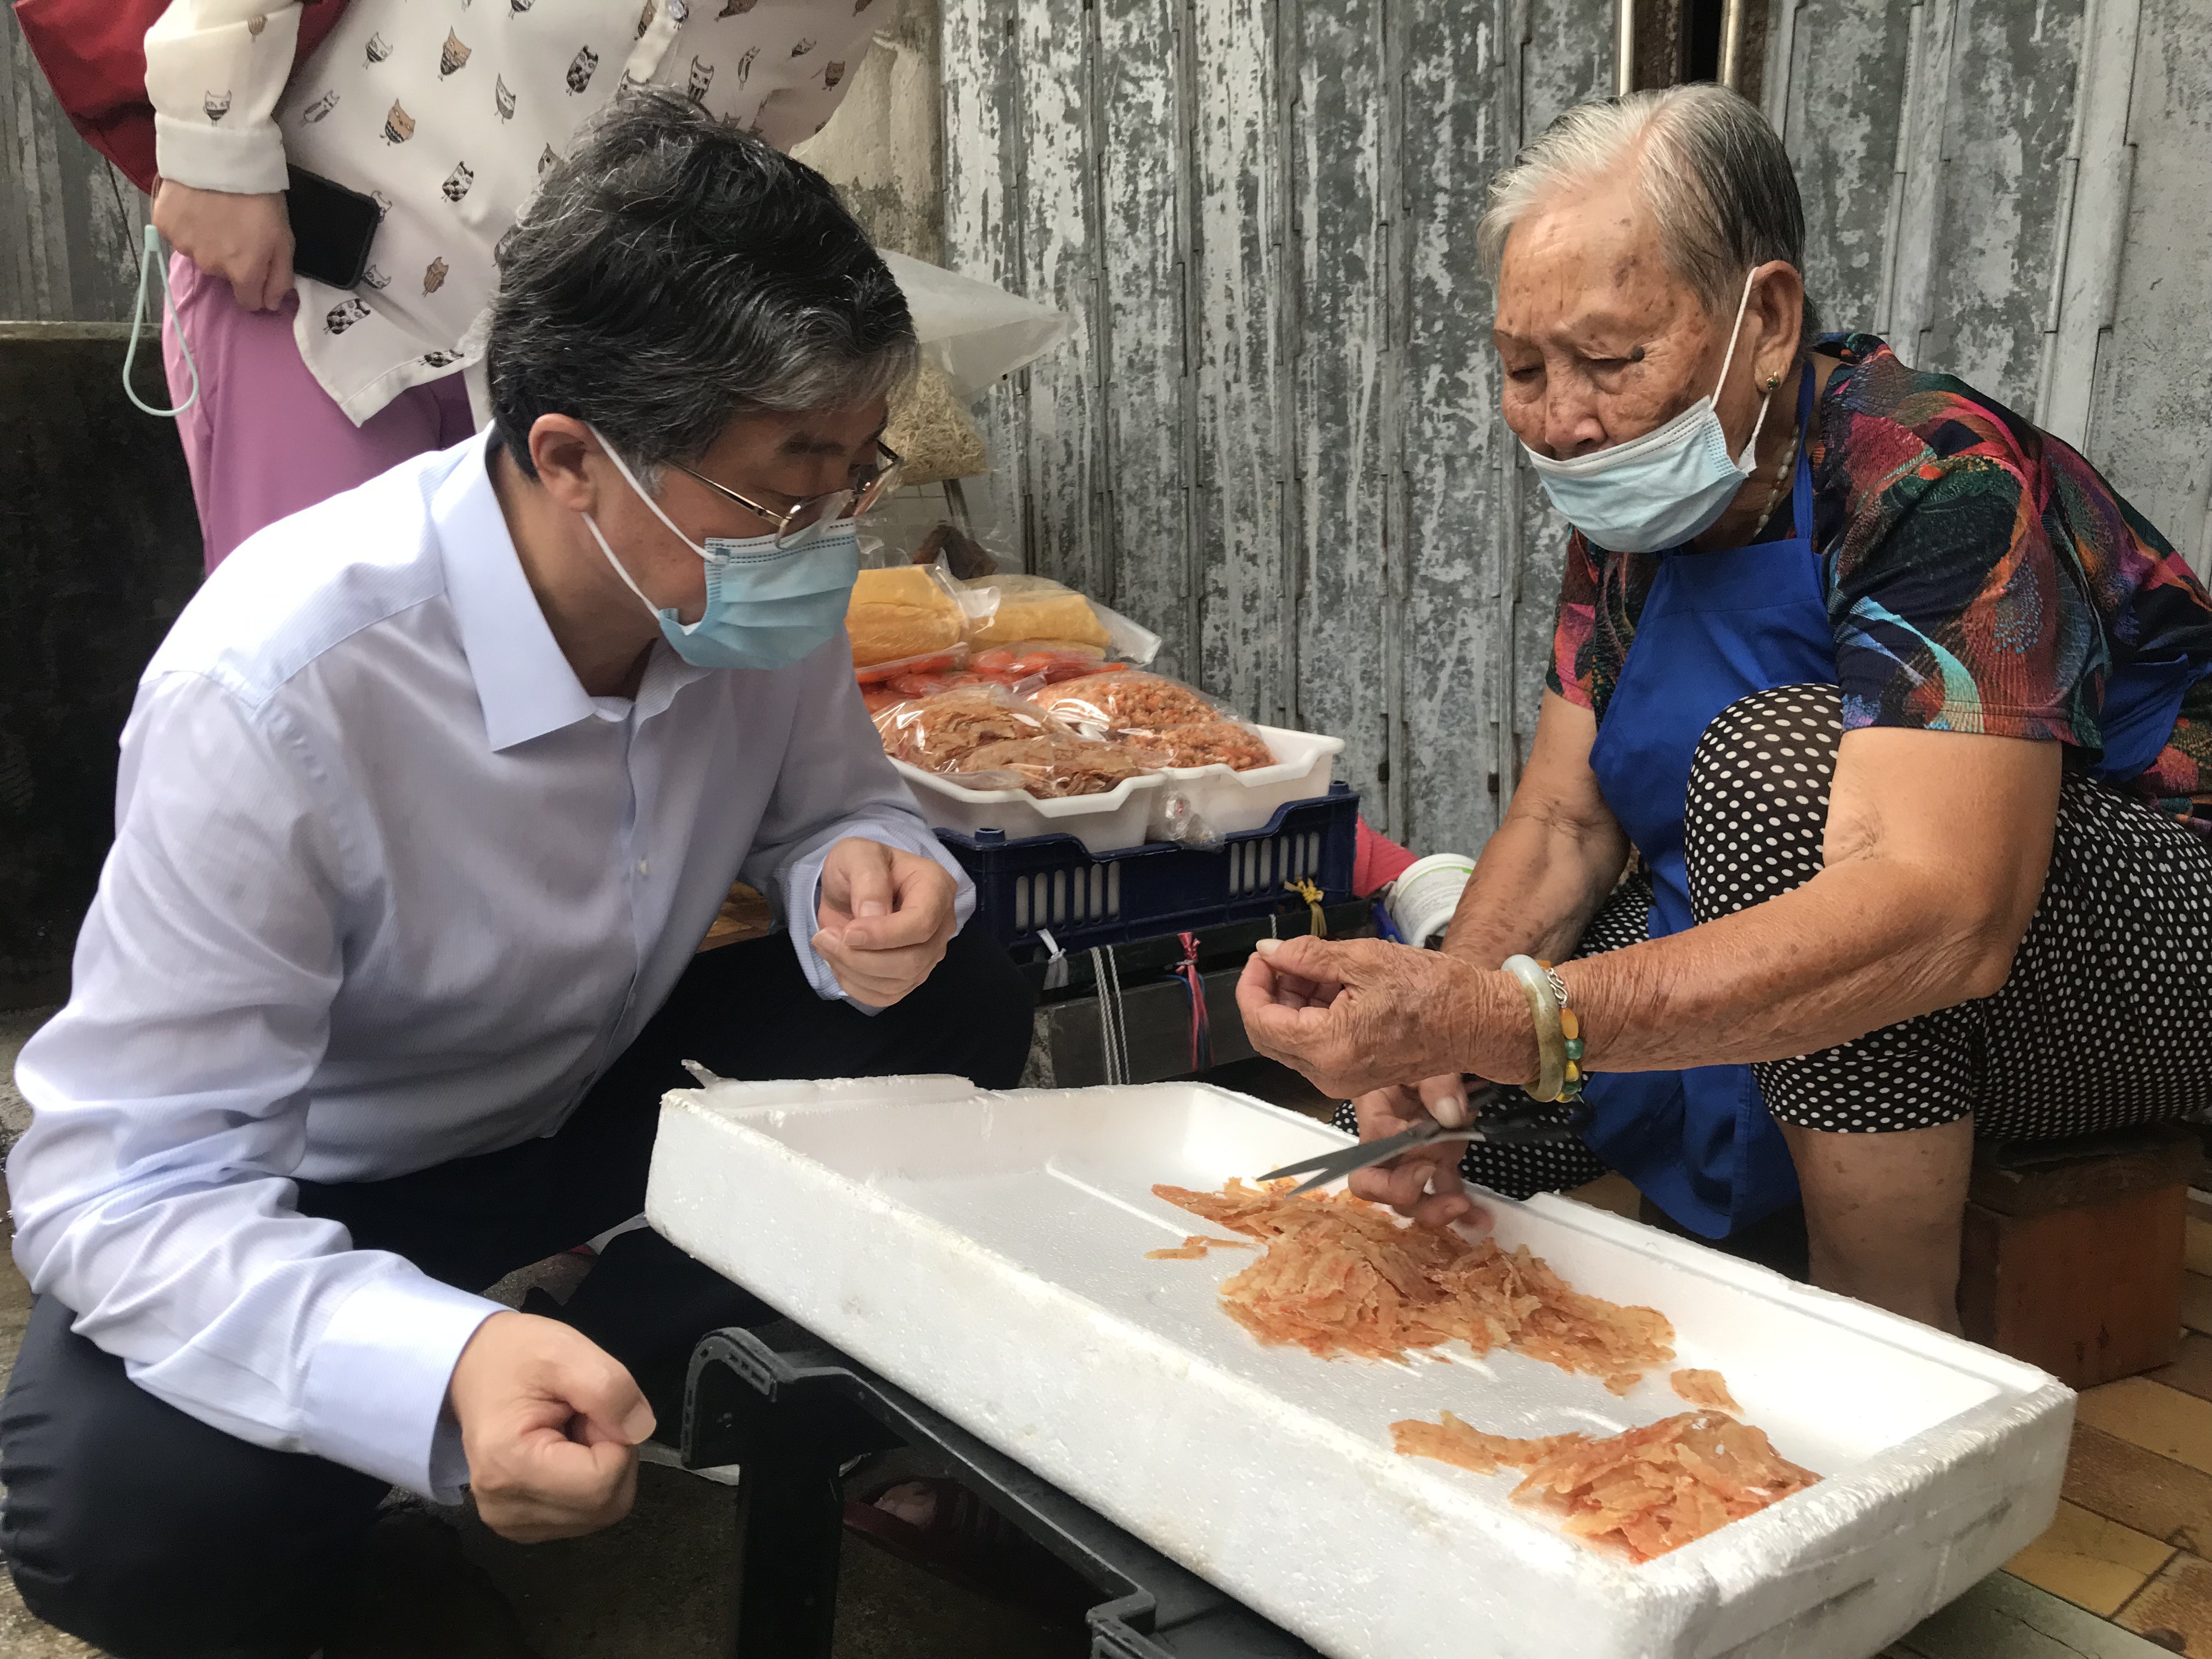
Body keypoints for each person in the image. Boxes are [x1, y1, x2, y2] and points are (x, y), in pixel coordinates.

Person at [0, 92, 1034, 1659]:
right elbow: (122, 1186)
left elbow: (832, 805)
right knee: (121, 1523)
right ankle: (492, 1384)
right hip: (334, 1179)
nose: (830, 531)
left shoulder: (742, 580)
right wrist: (431, 1363)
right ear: (572, 459)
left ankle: (610, 1358)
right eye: (790, 481)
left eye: (856, 468)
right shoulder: (280, 687)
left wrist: (863, 866)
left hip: (588, 1105)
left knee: (962, 991)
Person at [1237, 83, 2212, 1332]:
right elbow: (1563, 825)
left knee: (1776, 777)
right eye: (1523, 368)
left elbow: (1944, 912)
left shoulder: (1934, 474)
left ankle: (1887, 1344)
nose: (1561, 422)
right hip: (1843, 921)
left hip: (2133, 956)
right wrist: (1440, 1033)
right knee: (1433, 1095)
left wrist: (1519, 1017)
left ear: (1769, 322)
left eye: (1609, 361)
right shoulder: (1638, 503)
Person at [143, 0, 881, 567]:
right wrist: (212, 143)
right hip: (318, 285)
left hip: (565, 361)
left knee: (510, 674)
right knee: (326, 640)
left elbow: (753, 140)